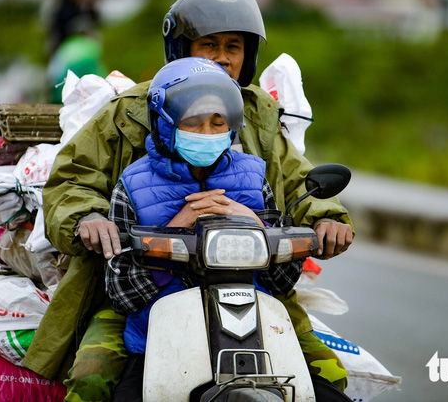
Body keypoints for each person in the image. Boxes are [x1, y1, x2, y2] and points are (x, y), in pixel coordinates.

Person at [23, 0, 353, 401]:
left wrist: (326, 218)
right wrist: (88, 218)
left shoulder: (258, 115)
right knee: (92, 376)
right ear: (181, 50)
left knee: (324, 375)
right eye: (208, 44)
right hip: (143, 286)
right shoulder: (132, 112)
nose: (221, 57)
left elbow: (296, 179)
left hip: (245, 285)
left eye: (233, 46)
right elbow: (73, 178)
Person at [106, 57, 311, 401]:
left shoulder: (254, 176)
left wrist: (254, 222)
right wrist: (174, 228)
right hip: (159, 340)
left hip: (255, 338)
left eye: (218, 123)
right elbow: (120, 291)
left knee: (324, 391)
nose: (207, 133)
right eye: (194, 122)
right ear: (165, 125)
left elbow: (281, 281)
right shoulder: (132, 185)